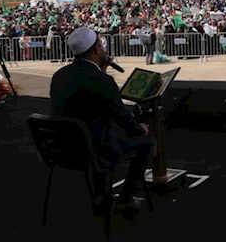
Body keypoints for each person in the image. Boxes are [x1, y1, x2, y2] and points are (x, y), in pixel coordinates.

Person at [49, 26, 152, 212]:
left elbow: (88, 100)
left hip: (62, 149)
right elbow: (122, 117)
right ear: (97, 49)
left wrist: (101, 70)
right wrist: (141, 129)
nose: (104, 49)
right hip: (94, 150)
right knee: (145, 142)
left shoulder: (59, 76)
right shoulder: (102, 81)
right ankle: (126, 198)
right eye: (101, 46)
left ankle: (100, 195)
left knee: (97, 132)